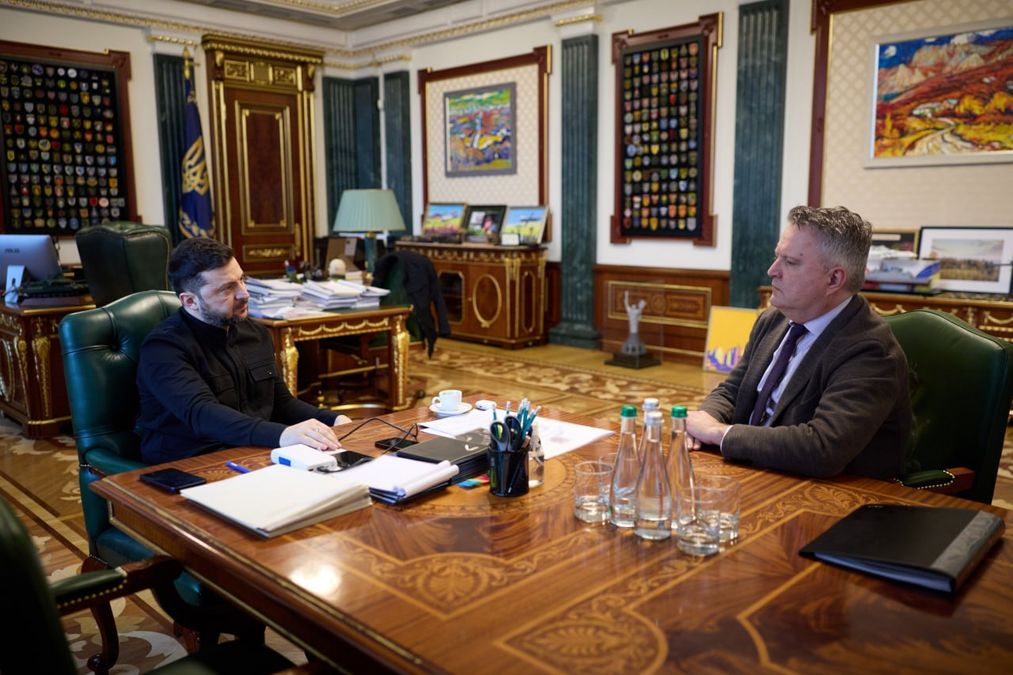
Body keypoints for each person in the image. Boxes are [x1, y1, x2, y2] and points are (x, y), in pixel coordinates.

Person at [686, 205, 911, 479]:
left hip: (835, 493)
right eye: (777, 257)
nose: (772, 270)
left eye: (790, 262)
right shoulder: (773, 319)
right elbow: (733, 391)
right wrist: (703, 422)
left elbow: (822, 448)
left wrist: (720, 433)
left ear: (834, 279)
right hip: (757, 471)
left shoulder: (871, 351)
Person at [137, 238, 351, 464]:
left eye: (242, 280)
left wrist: (333, 420)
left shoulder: (255, 333)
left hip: (252, 451)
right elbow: (203, 415)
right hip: (189, 463)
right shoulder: (163, 349)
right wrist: (282, 435)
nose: (244, 294)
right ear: (190, 301)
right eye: (227, 288)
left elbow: (281, 403)